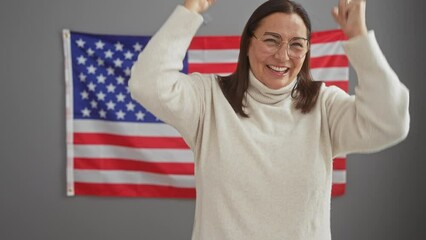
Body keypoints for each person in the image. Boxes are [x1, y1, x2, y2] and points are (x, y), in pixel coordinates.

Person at [129, 0, 410, 239]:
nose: (283, 55)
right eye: (271, 40)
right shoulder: (209, 99)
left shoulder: (325, 105)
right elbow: (147, 83)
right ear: (248, 43)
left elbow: (390, 121)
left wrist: (358, 37)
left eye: (296, 45)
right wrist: (190, 9)